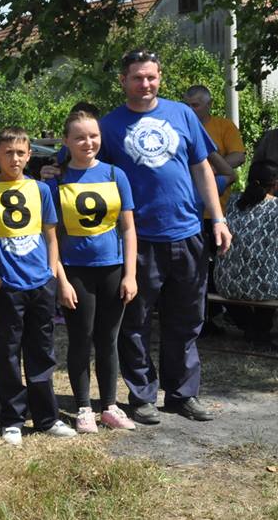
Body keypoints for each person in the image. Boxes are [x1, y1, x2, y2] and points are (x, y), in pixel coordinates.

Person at [45, 50, 232, 424]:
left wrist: (218, 218)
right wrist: (51, 170)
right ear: (123, 80)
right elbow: (77, 159)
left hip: (187, 232)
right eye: (137, 78)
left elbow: (202, 169)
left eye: (151, 77)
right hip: (138, 239)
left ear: (160, 77)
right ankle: (142, 395)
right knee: (136, 322)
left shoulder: (183, 115)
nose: (145, 84)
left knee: (187, 319)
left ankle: (182, 394)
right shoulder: (109, 125)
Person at [0, 127, 77, 446]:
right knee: (7, 353)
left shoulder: (40, 190)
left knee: (42, 351)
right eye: (8, 152)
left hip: (40, 284)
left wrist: (51, 273)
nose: (14, 158)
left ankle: (46, 417)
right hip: (7, 287)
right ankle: (12, 418)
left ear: (29, 156)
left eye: (20, 153)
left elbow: (51, 235)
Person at [46, 111, 138, 433]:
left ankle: (110, 406)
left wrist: (130, 274)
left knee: (108, 340)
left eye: (93, 136)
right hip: (75, 273)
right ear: (66, 141)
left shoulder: (115, 174)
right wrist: (61, 280)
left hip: (112, 269)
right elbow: (51, 237)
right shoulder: (56, 182)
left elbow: (128, 228)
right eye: (80, 137)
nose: (88, 143)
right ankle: (84, 407)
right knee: (81, 340)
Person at [213, 160, 278, 345]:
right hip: (266, 287)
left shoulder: (233, 200)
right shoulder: (275, 207)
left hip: (226, 283)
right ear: (275, 183)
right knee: (266, 275)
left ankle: (250, 326)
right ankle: (259, 329)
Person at [183, 85, 245, 214]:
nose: (190, 110)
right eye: (186, 105)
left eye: (195, 105)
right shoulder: (178, 127)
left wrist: (209, 171)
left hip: (216, 209)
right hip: (184, 207)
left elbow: (238, 156)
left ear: (209, 104)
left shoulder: (224, 126)